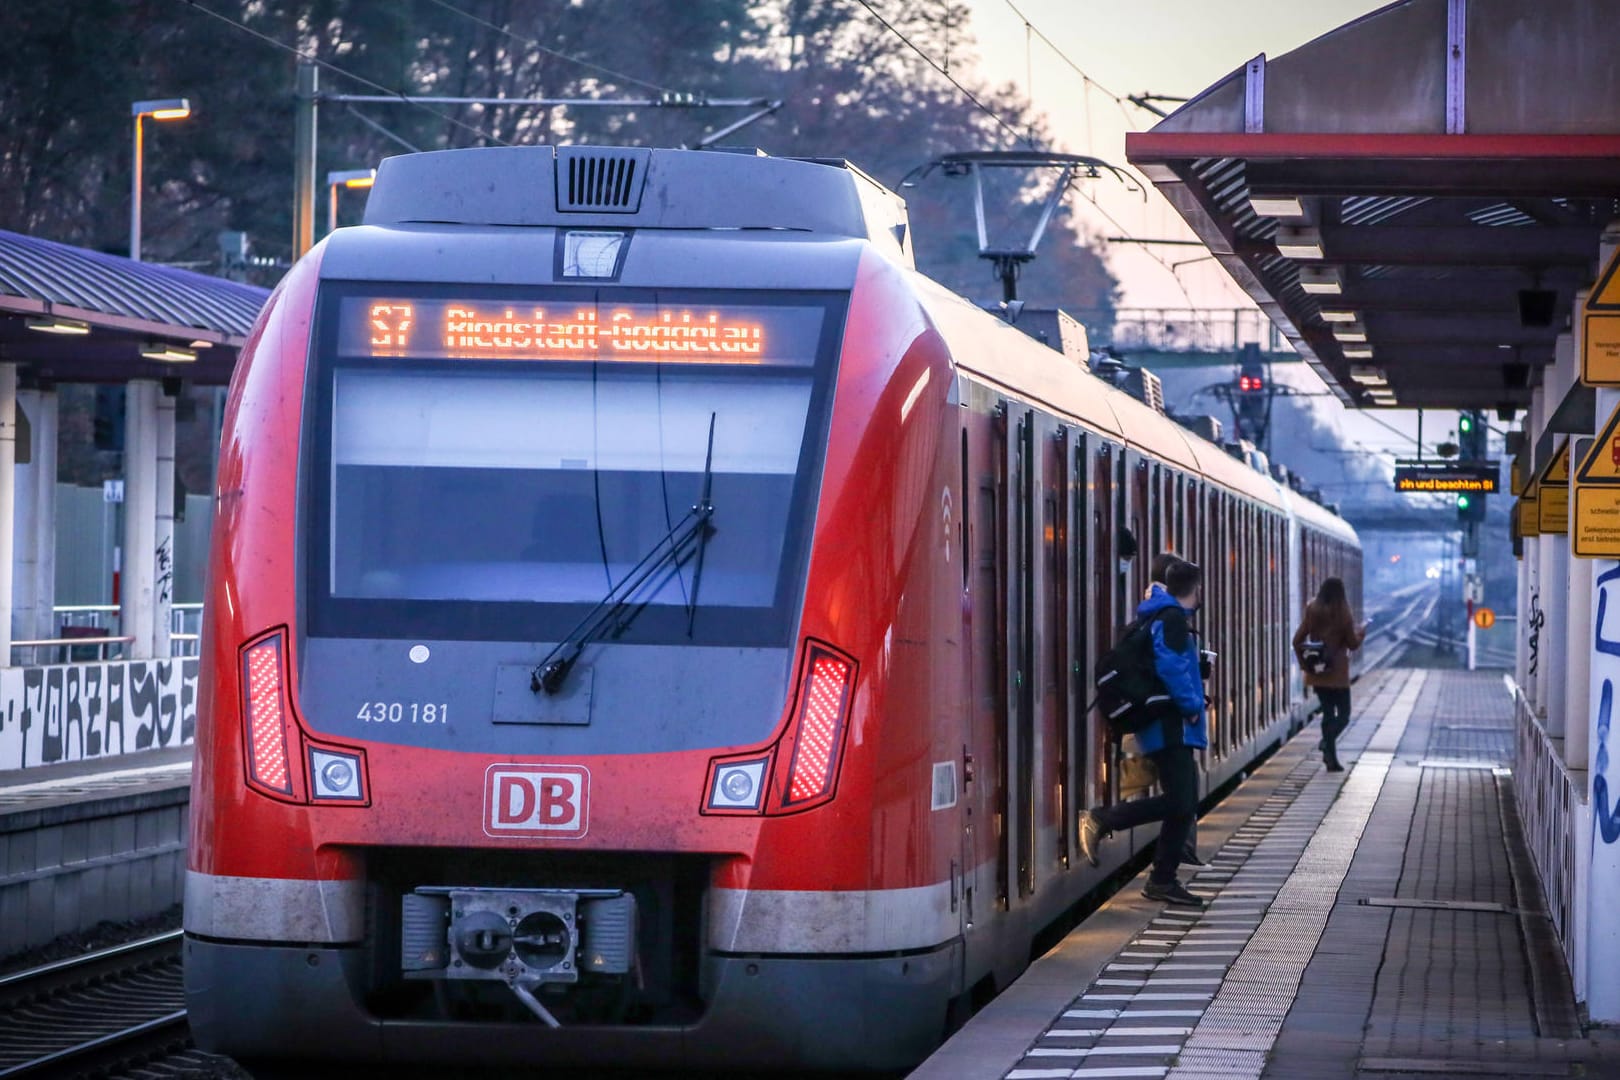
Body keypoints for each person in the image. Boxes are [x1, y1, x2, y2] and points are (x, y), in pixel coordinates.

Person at [1079, 558, 1209, 908]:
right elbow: (1173, 668)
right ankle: (1102, 819)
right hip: (1171, 724)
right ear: (1194, 590)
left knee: (1184, 803)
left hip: (1166, 723)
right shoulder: (1171, 620)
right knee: (1180, 800)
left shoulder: (1156, 616)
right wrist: (1193, 706)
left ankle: (1163, 880)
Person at [1292, 577, 1368, 772]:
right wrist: (1361, 633)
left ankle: (1331, 758)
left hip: (1318, 674)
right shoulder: (1343, 613)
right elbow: (1352, 644)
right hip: (1337, 674)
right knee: (1343, 715)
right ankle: (1327, 744)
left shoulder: (1312, 610)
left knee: (1327, 713)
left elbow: (1297, 640)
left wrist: (1305, 664)